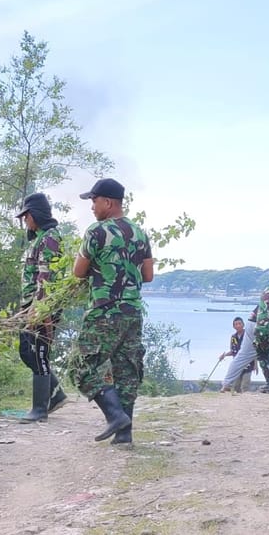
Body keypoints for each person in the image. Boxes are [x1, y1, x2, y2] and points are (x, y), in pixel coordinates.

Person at [70, 178, 153, 444]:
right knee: (126, 371)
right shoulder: (140, 233)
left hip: (104, 311)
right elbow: (148, 275)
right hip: (132, 312)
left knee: (81, 366)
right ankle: (124, 435)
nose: (92, 207)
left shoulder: (97, 232)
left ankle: (115, 415)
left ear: (108, 202)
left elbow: (78, 272)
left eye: (94, 201)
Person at [15, 192, 69, 422]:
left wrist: (40, 309)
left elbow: (46, 278)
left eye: (26, 215)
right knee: (27, 351)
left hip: (43, 307)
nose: (25, 220)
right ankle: (56, 395)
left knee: (39, 353)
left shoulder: (50, 238)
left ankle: (40, 409)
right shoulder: (39, 238)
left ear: (35, 214)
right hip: (31, 305)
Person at [219, 316, 254, 392]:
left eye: (239, 323)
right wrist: (224, 355)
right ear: (233, 326)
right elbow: (233, 351)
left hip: (248, 365)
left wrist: (256, 364)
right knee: (236, 387)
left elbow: (254, 350)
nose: (238, 325)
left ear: (243, 325)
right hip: (237, 365)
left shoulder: (248, 335)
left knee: (245, 386)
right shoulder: (233, 337)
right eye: (236, 324)